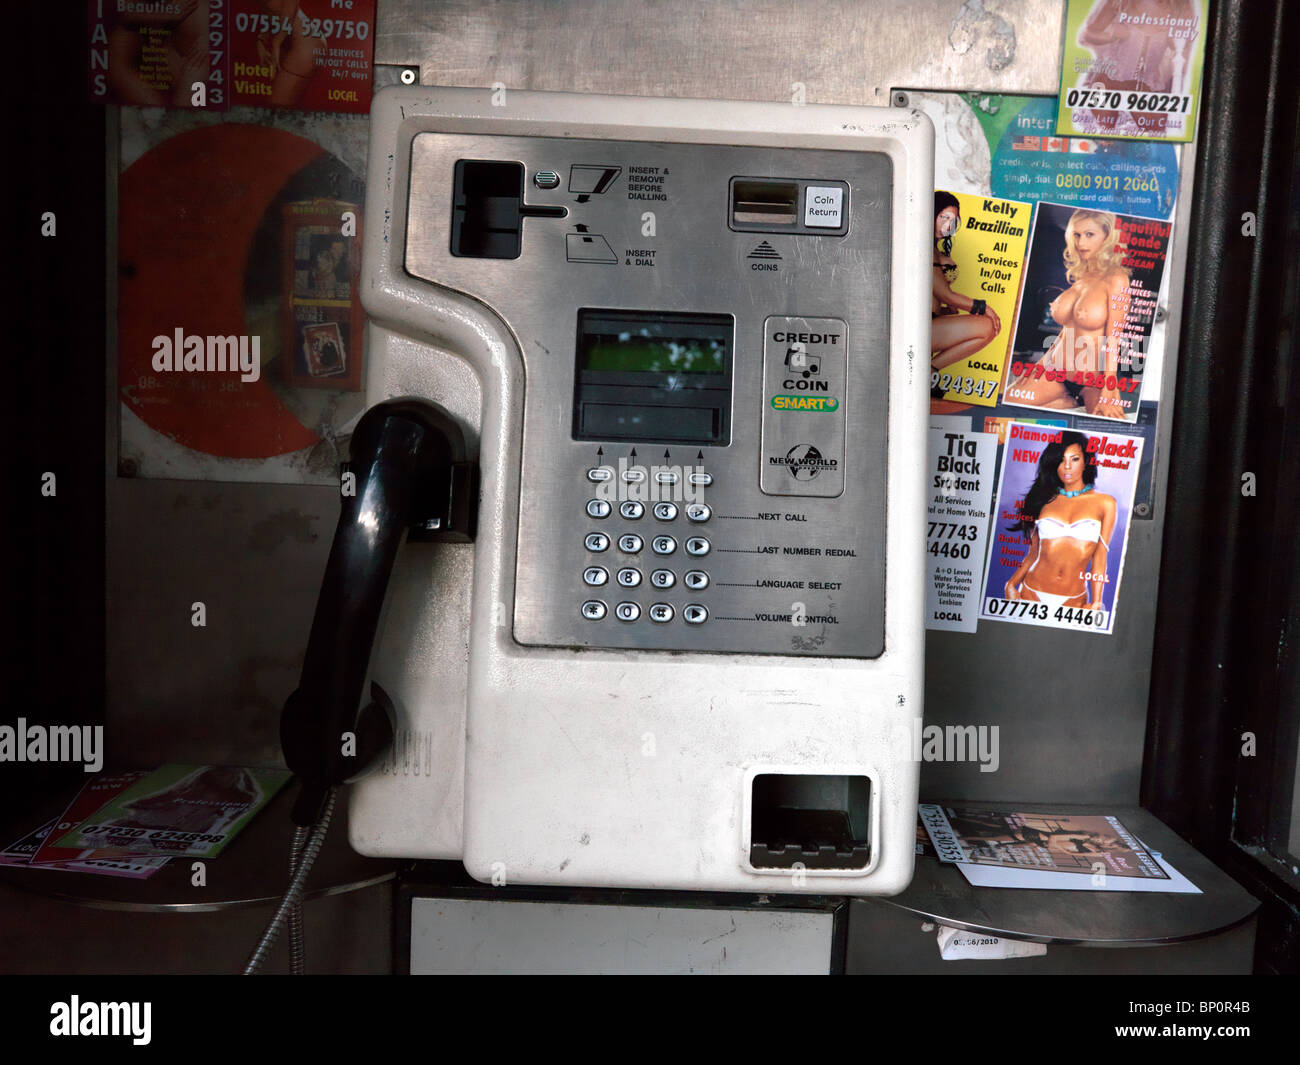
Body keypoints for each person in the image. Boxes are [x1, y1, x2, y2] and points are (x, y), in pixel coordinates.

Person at [1005, 209, 1130, 419]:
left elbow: (1114, 338)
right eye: (1077, 235)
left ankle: (1069, 402)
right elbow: (1066, 332)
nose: (1081, 242)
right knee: (1008, 405)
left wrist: (1110, 386)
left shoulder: (1116, 279)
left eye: (1089, 234)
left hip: (1093, 381)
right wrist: (1039, 366)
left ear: (1107, 236)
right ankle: (1065, 402)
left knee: (1105, 427)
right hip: (1055, 371)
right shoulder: (1081, 277)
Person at [1004, 431, 1117, 612]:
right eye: (1061, 460)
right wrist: (1010, 585)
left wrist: (1096, 602)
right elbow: (1033, 554)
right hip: (1031, 593)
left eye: (1074, 459)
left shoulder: (1105, 503)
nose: (1066, 466)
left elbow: (1099, 557)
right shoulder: (1043, 501)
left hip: (1074, 600)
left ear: (1086, 462)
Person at [931, 192, 1001, 375]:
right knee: (987, 325)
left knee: (986, 326)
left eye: (952, 220)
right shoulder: (922, 248)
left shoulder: (934, 249)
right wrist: (984, 307)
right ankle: (929, 371)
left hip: (933, 321)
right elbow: (945, 295)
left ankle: (930, 370)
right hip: (919, 326)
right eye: (943, 217)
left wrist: (947, 311)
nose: (947, 225)